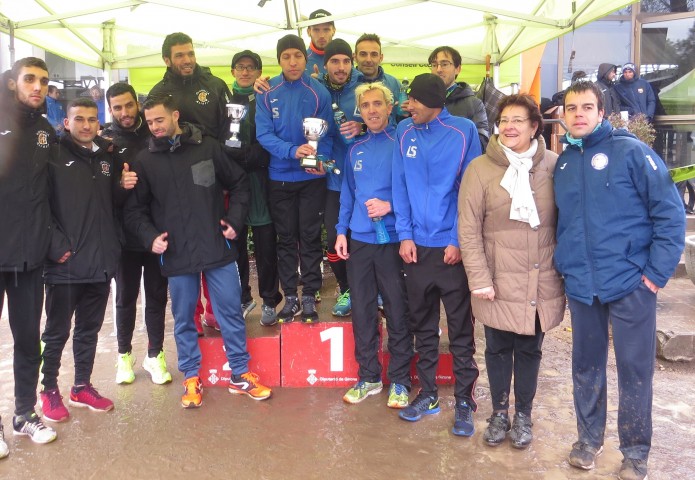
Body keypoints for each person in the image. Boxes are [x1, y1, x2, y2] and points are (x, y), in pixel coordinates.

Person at [555, 81, 684, 480]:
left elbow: (670, 215)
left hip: (630, 284)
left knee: (634, 369)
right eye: (572, 107)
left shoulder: (631, 152)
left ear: (601, 112)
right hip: (582, 285)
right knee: (586, 367)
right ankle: (588, 440)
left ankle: (634, 452)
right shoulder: (561, 163)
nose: (578, 113)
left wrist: (654, 275)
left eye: (587, 107)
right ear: (562, 115)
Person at [124, 95, 272, 408]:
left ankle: (240, 375)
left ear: (175, 115)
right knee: (183, 320)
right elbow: (134, 211)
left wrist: (235, 221)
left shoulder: (208, 147)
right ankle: (191, 377)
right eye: (149, 123)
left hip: (216, 247)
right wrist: (150, 237)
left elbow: (241, 183)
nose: (155, 127)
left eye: (160, 120)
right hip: (176, 254)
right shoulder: (145, 161)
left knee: (230, 313)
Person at [458, 94, 565, 449]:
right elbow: (469, 229)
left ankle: (524, 416)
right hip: (497, 279)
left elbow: (565, 222)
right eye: (504, 120)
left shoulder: (553, 165)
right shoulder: (479, 169)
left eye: (518, 120)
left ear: (535, 126)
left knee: (531, 349)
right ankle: (499, 413)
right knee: (497, 348)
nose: (509, 127)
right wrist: (479, 280)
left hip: (539, 277)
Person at [391, 73, 481, 435]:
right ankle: (427, 394)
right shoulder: (404, 132)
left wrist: (459, 239)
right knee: (423, 327)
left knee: (460, 330)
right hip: (416, 249)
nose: (407, 105)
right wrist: (405, 235)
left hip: (450, 249)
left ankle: (464, 401)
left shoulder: (463, 132)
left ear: (433, 102)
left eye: (413, 100)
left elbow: (469, 189)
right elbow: (400, 184)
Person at [40, 97, 137, 423]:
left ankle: (81, 386)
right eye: (78, 119)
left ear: (99, 122)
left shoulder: (106, 156)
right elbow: (39, 205)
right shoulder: (52, 155)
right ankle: (48, 389)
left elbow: (112, 204)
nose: (85, 125)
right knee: (56, 332)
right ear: (66, 122)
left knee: (88, 331)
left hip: (101, 260)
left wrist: (123, 187)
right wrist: (55, 245)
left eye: (91, 119)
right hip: (65, 263)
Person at [149, 32, 233, 332]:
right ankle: (194, 314)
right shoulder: (158, 92)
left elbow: (229, 130)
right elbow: (153, 135)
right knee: (183, 246)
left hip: (211, 173)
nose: (187, 60)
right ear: (167, 60)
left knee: (214, 241)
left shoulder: (214, 85)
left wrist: (224, 172)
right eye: (180, 55)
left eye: (190, 53)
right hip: (175, 181)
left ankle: (215, 311)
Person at [336, 82, 413, 407]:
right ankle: (368, 377)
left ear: (389, 105)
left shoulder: (403, 141)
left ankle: (399, 380)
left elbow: (414, 187)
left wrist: (390, 206)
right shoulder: (355, 148)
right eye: (365, 105)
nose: (372, 110)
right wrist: (341, 231)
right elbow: (347, 193)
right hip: (359, 241)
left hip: (393, 240)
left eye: (377, 104)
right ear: (360, 111)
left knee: (396, 309)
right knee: (363, 310)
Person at [0, 57, 58, 457]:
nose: (37, 86)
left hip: (29, 255)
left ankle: (24, 413)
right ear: (11, 83)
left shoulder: (45, 131)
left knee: (28, 339)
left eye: (43, 81)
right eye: (30, 79)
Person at [255, 34, 334, 323]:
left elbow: (326, 134)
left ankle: (310, 295)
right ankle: (290, 297)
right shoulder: (266, 90)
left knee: (310, 236)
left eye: (297, 56)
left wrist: (319, 159)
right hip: (279, 178)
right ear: (279, 60)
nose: (292, 62)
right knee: (286, 238)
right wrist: (291, 150)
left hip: (311, 178)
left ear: (305, 57)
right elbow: (263, 134)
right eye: (286, 56)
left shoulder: (318, 93)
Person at [102, 82, 171, 385]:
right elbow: (99, 194)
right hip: (124, 238)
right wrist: (119, 185)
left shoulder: (154, 133)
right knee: (125, 297)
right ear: (111, 109)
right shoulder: (105, 142)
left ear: (137, 103)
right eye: (117, 107)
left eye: (129, 105)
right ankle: (123, 355)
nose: (125, 113)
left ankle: (155, 355)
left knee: (156, 296)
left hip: (156, 234)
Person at [225, 50, 282, 326]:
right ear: (233, 71)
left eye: (251, 67)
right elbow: (220, 140)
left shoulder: (266, 97)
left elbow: (276, 135)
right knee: (235, 246)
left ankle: (270, 300)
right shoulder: (224, 102)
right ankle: (242, 298)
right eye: (240, 67)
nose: (246, 72)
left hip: (261, 182)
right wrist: (233, 156)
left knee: (265, 246)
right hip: (234, 184)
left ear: (259, 72)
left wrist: (254, 155)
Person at [317, 38, 363, 317]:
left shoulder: (362, 88)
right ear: (325, 64)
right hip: (332, 178)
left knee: (365, 237)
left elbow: (386, 123)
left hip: (363, 178)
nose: (341, 66)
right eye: (335, 61)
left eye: (346, 61)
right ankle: (346, 287)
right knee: (335, 235)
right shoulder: (316, 90)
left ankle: (370, 289)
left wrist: (363, 125)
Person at [428, 46, 489, 150]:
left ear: (458, 69)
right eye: (434, 65)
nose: (438, 69)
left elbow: (482, 142)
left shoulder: (474, 104)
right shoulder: (423, 101)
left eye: (444, 64)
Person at [353, 34, 401, 123]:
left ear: (381, 57)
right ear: (355, 57)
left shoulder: (394, 84)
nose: (368, 59)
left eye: (374, 54)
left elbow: (401, 120)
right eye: (363, 54)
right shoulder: (346, 85)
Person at [305, 9, 336, 76]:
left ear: (334, 31)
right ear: (308, 32)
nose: (321, 35)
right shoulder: (301, 60)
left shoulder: (343, 58)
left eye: (326, 30)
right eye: (316, 30)